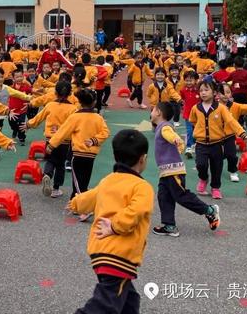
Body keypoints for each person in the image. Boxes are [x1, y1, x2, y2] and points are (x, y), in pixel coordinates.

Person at [68, 129, 153, 314]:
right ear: (143, 158)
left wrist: (75, 203)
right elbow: (136, 211)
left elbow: (91, 197)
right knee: (105, 305)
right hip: (120, 255)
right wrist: (115, 226)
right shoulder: (142, 187)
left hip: (100, 250)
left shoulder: (108, 180)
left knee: (129, 300)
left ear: (115, 156)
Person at [150, 102, 220, 237]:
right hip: (166, 171)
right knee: (164, 196)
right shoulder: (160, 127)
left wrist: (176, 140)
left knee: (181, 196)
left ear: (158, 112)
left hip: (173, 171)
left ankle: (209, 210)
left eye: (153, 110)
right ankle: (169, 225)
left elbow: (170, 135)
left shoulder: (165, 127)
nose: (151, 113)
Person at [47, 89, 110, 207]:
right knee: (84, 180)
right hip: (91, 155)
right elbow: (105, 132)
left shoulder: (75, 117)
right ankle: (74, 201)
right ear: (94, 102)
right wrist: (94, 140)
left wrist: (51, 145)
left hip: (78, 154)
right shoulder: (98, 118)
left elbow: (63, 132)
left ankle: (83, 206)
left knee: (76, 181)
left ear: (80, 103)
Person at [189, 80, 247, 199]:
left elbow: (231, 121)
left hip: (217, 144)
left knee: (217, 167)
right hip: (201, 144)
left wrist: (242, 134)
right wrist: (198, 133)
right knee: (201, 165)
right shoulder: (195, 108)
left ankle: (215, 188)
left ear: (215, 93)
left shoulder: (221, 108)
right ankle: (203, 178)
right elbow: (193, 121)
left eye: (206, 90)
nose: (203, 93)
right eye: (201, 90)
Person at [26, 81, 77, 198]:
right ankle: (56, 189)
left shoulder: (50, 105)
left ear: (55, 92)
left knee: (50, 160)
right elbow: (75, 124)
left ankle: (47, 174)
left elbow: (39, 117)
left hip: (50, 138)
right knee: (60, 165)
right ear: (70, 93)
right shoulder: (73, 109)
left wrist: (28, 124)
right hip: (64, 141)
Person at [0, 67, 31, 161]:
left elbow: (18, 94)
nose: (0, 79)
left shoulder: (7, 88)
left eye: (2, 77)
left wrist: (29, 97)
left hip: (1, 116)